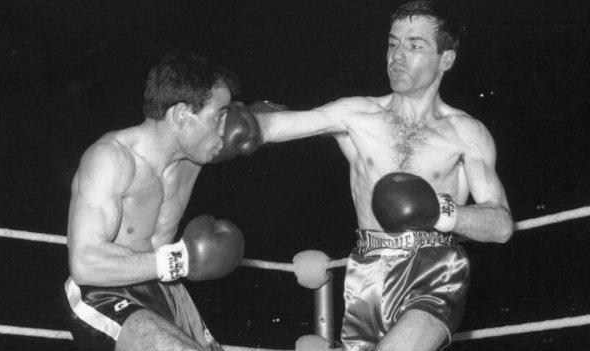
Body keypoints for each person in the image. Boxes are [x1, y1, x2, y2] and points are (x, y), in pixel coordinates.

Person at [240, 1, 514, 350]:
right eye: (392, 43)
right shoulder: (357, 115)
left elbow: (501, 225)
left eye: (414, 45)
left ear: (446, 59)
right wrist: (233, 124)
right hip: (366, 273)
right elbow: (279, 124)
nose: (397, 56)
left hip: (433, 270)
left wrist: (441, 211)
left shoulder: (466, 133)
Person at [62, 52, 253, 351]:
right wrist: (181, 260)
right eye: (218, 116)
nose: (224, 129)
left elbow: (272, 126)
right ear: (180, 115)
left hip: (167, 292)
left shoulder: (196, 153)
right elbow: (85, 264)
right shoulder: (111, 158)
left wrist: (345, 115)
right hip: (105, 292)